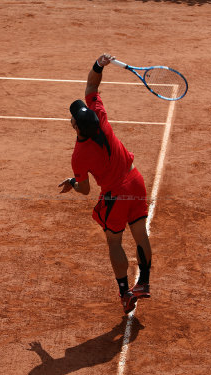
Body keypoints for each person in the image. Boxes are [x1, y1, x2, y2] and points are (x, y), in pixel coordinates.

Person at [58, 54, 152, 314]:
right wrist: (98, 65)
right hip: (135, 181)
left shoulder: (79, 156)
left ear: (77, 128)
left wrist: (73, 184)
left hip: (115, 196)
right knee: (140, 233)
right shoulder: (99, 116)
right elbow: (91, 86)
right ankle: (143, 283)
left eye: (74, 117)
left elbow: (85, 189)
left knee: (114, 241)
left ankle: (125, 292)